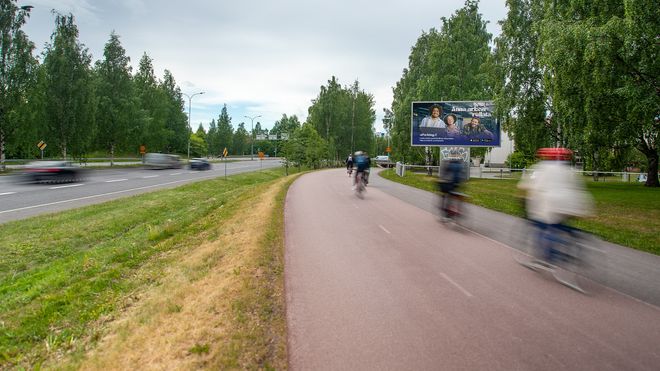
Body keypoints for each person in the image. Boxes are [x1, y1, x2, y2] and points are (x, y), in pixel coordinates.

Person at [518, 148, 593, 263]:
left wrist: (525, 195)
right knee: (561, 225)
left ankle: (545, 258)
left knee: (541, 225)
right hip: (571, 205)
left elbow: (531, 186)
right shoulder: (569, 170)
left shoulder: (541, 168)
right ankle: (573, 241)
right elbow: (579, 188)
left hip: (551, 205)